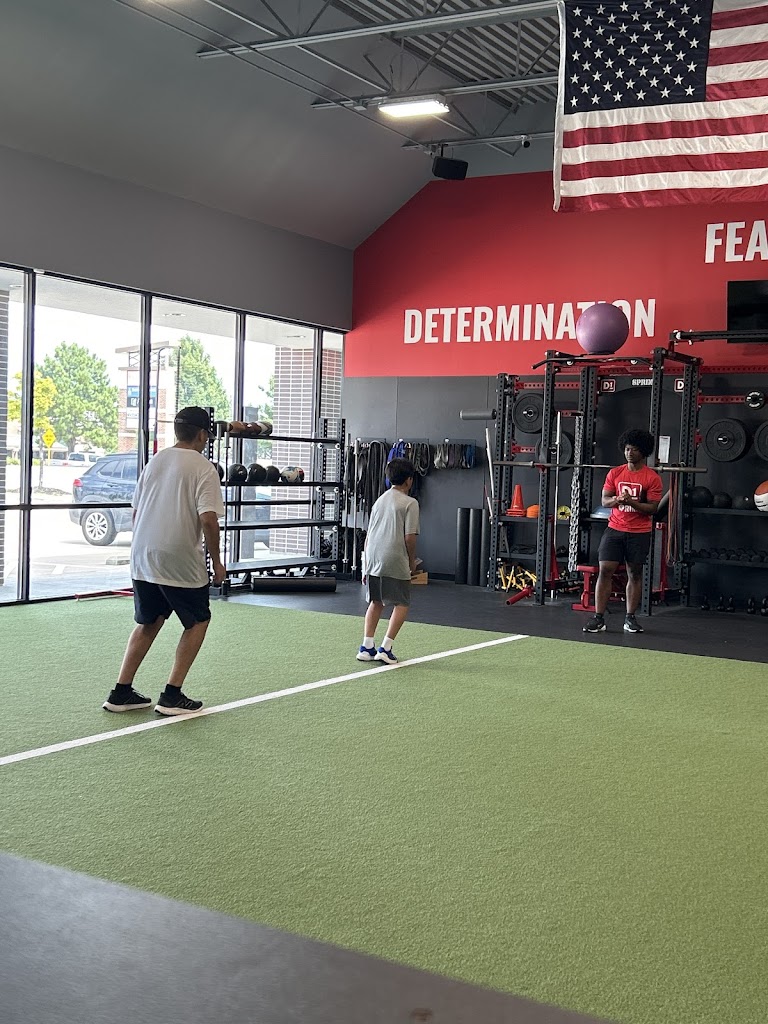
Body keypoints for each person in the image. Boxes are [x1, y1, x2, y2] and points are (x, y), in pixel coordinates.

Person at [102, 406, 226, 715]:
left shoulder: (155, 461)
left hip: (143, 554)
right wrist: (217, 562)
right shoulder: (204, 468)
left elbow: (136, 512)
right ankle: (172, 695)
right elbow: (208, 520)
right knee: (198, 621)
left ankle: (121, 692)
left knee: (149, 620)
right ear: (203, 435)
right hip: (178, 556)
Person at [582, 428, 662, 635]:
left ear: (643, 452)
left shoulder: (652, 478)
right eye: (627, 449)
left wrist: (632, 502)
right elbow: (604, 500)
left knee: (634, 573)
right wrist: (617, 500)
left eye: (634, 450)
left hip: (639, 532)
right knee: (605, 571)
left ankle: (630, 618)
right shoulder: (615, 473)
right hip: (615, 529)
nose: (629, 453)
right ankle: (598, 618)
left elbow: (652, 509)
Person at [356, 457, 420, 665]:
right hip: (394, 557)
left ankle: (366, 647)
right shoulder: (410, 503)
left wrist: (366, 565)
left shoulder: (380, 500)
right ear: (409, 480)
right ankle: (386, 648)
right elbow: (409, 537)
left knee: (376, 601)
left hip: (373, 556)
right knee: (402, 603)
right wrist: (411, 562)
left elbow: (369, 535)